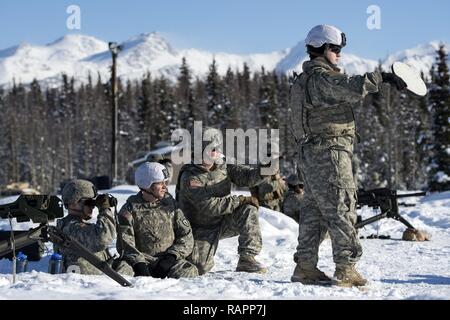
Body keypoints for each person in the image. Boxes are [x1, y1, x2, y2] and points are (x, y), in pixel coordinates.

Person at [289, 25, 407, 287]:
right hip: (329, 154)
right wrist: (383, 78)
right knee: (342, 206)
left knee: (315, 211)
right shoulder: (320, 78)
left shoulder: (302, 80)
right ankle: (346, 268)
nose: (339, 55)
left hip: (310, 156)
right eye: (336, 49)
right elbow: (350, 86)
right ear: (323, 48)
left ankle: (305, 267)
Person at [176, 127, 270, 275]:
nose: (210, 153)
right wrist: (239, 200)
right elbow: (208, 206)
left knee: (248, 210)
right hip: (199, 229)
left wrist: (265, 169)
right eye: (205, 149)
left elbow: (248, 177)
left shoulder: (224, 166)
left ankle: (247, 259)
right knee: (198, 268)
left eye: (214, 149)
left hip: (222, 222)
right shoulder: (190, 176)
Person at [117, 162, 198, 279]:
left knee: (189, 271)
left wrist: (171, 257)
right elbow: (125, 243)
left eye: (165, 182)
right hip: (140, 262)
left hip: (168, 260)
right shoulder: (129, 209)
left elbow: (186, 236)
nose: (165, 187)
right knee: (121, 272)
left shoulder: (171, 205)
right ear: (147, 185)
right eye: (160, 183)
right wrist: (139, 264)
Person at [56, 179, 132, 275]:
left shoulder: (71, 225)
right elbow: (103, 238)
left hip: (94, 282)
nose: (93, 207)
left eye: (94, 203)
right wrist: (104, 209)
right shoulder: (71, 228)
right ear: (73, 203)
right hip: (86, 285)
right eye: (89, 202)